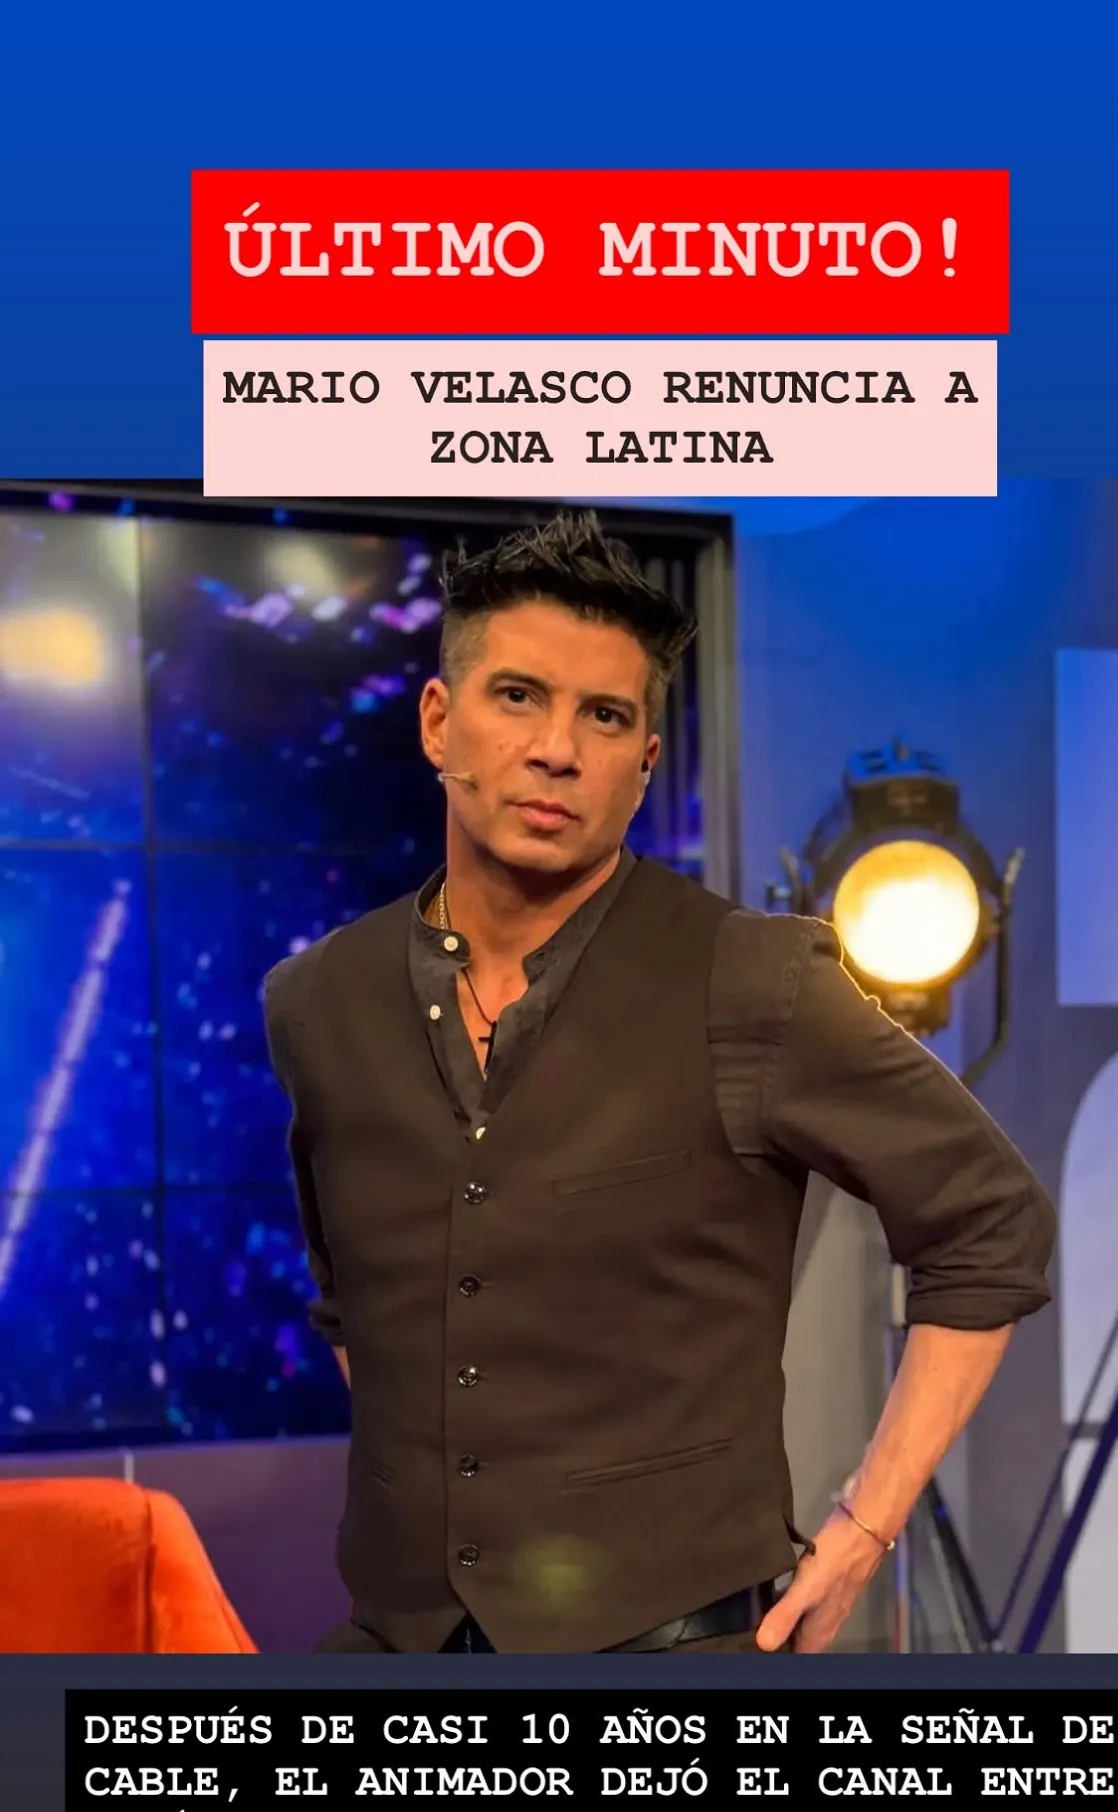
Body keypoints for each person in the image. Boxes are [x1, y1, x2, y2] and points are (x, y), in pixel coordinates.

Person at [263, 509, 1056, 1656]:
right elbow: (356, 1305)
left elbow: (991, 1222)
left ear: (643, 762)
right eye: (519, 696)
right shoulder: (319, 998)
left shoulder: (753, 980)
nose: (557, 749)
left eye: (606, 715)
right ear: (439, 721)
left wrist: (863, 1526)